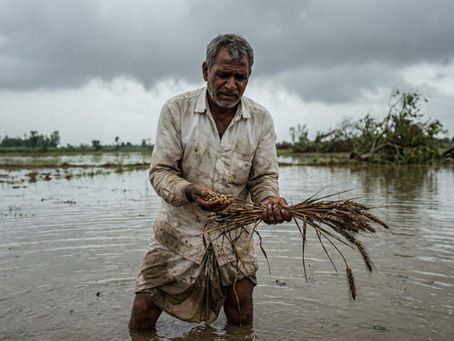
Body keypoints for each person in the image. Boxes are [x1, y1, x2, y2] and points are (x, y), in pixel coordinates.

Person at [128, 33, 291, 331]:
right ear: (206, 71)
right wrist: (189, 191)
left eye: (240, 77)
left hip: (233, 236)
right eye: (223, 75)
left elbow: (264, 178)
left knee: (241, 317)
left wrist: (269, 201)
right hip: (178, 232)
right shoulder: (177, 110)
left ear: (249, 76)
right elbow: (160, 172)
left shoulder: (261, 120)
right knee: (142, 315)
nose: (231, 85)